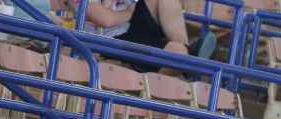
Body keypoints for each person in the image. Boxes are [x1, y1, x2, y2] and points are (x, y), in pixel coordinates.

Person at [61, 0, 216, 71]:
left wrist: (129, 11)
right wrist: (129, 13)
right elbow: (106, 20)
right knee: (176, 52)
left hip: (127, 28)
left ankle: (188, 51)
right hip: (107, 41)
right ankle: (187, 60)